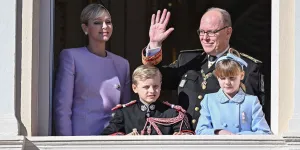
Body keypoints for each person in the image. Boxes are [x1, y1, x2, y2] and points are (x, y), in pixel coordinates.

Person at [141, 7, 265, 130]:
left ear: (228, 32)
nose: (204, 38)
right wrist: (154, 44)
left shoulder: (245, 67)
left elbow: (253, 116)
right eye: (201, 32)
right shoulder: (187, 60)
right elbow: (156, 79)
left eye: (211, 32)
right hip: (184, 138)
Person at [54, 4, 131, 136]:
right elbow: (62, 107)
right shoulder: (72, 57)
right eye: (97, 22)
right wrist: (65, 144)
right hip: (82, 138)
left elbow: (127, 110)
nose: (105, 26)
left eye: (108, 22)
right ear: (85, 28)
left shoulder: (122, 64)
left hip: (113, 139)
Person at [101, 65, 193, 135]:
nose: (152, 91)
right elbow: (106, 137)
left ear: (161, 86)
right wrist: (125, 139)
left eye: (156, 86)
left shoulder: (173, 114)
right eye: (146, 87)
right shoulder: (124, 113)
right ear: (134, 88)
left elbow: (187, 139)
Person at [195, 53, 271, 135]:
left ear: (241, 76)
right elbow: (200, 131)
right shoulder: (209, 100)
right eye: (223, 78)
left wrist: (237, 137)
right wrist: (218, 132)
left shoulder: (251, 101)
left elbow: (264, 132)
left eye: (232, 78)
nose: (227, 82)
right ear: (217, 78)